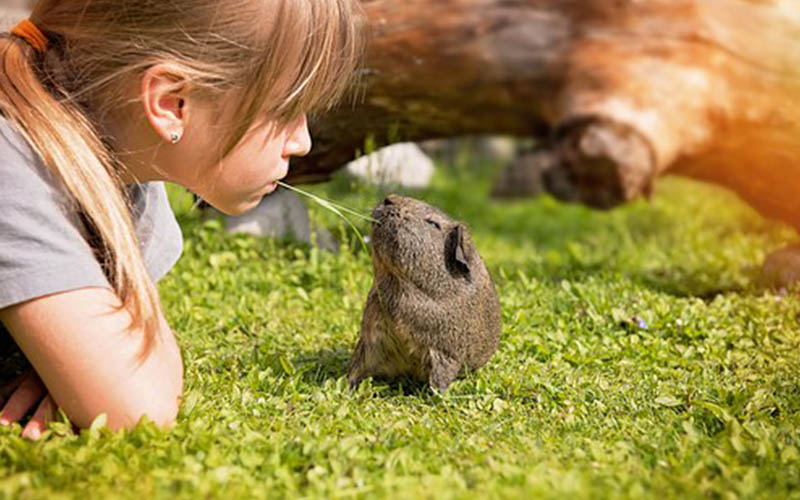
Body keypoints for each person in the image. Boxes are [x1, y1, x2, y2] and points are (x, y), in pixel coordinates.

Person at [0, 0, 363, 440]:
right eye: (285, 110)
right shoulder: (12, 163)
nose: (301, 141)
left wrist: (68, 361)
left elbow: (131, 356)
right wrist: (100, 371)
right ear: (171, 104)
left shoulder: (126, 163)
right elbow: (139, 408)